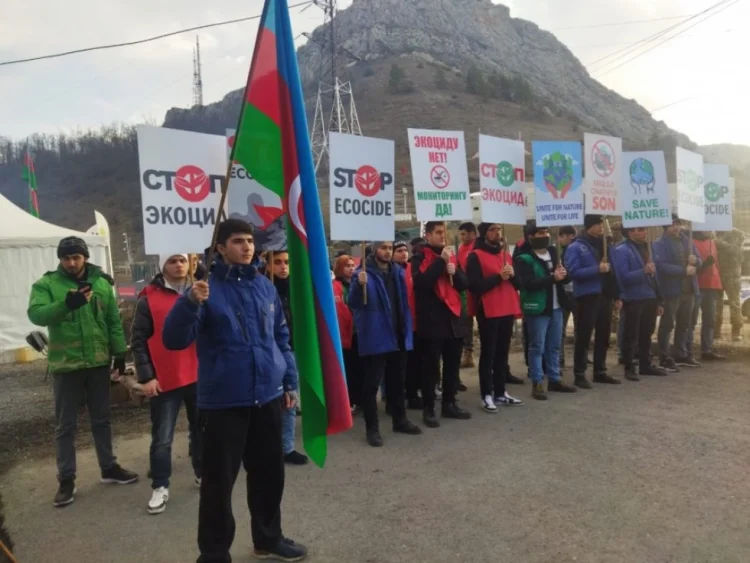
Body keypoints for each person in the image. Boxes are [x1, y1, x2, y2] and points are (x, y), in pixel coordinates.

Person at [163, 219, 307, 563]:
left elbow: (280, 338)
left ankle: (268, 540)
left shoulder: (265, 287)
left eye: (250, 242)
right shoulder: (204, 289)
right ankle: (214, 552)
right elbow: (174, 339)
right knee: (218, 483)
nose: (247, 247)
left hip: (268, 397)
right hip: (224, 402)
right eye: (239, 241)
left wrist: (288, 381)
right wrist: (189, 304)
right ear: (221, 247)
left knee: (270, 476)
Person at [27, 236, 138, 508]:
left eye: (77, 257)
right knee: (65, 425)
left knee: (102, 419)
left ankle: (109, 468)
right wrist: (66, 304)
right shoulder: (47, 284)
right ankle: (66, 479)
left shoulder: (101, 283)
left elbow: (112, 321)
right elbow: (36, 315)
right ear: (60, 259)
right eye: (66, 257)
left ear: (85, 257)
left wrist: (119, 353)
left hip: (98, 362)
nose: (72, 262)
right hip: (66, 364)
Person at [131, 253, 201, 515]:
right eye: (172, 261)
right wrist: (147, 377)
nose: (179, 265)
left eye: (183, 260)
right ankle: (160, 485)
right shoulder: (148, 297)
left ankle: (202, 473)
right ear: (163, 266)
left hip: (198, 375)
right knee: (162, 438)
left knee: (201, 431)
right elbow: (138, 340)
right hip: (164, 379)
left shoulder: (200, 290)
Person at [348, 241, 422, 446]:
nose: (388, 252)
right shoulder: (362, 273)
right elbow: (353, 303)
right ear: (374, 250)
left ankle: (400, 420)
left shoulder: (398, 271)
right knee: (371, 385)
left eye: (390, 248)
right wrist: (357, 285)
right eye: (384, 248)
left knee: (397, 381)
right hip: (376, 335)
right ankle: (372, 429)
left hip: (398, 334)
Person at [411, 222, 472, 427]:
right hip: (432, 322)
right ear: (428, 235)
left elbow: (464, 285)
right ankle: (429, 408)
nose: (442, 236)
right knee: (430, 369)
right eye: (438, 232)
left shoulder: (451, 256)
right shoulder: (419, 257)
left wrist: (454, 271)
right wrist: (440, 263)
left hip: (453, 320)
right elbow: (421, 283)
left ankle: (449, 403)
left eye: (444, 232)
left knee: (452, 366)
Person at [515, 222, 578, 400]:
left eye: (546, 231)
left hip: (556, 307)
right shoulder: (524, 258)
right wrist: (552, 278)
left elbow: (563, 278)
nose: (545, 235)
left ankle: (554, 379)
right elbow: (527, 284)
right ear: (531, 236)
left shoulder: (553, 252)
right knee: (537, 346)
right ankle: (537, 381)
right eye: (540, 232)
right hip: (538, 308)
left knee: (554, 346)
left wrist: (563, 275)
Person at [466, 223, 524, 412]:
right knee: (488, 353)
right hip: (489, 310)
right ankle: (486, 394)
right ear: (484, 234)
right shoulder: (475, 255)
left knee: (502, 353)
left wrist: (513, 276)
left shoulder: (506, 254)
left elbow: (517, 283)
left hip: (507, 307)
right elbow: (474, 286)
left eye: (499, 229)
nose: (497, 233)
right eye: (492, 229)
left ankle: (501, 392)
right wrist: (498, 277)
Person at [564, 215, 622, 388]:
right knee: (584, 336)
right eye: (598, 224)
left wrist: (617, 294)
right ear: (589, 226)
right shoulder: (576, 247)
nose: (601, 227)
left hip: (605, 295)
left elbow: (615, 271)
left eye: (602, 224)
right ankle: (579, 373)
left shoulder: (606, 245)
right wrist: (596, 269)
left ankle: (600, 371)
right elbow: (573, 272)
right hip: (587, 296)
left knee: (603, 336)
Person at [266, 251, 309, 466]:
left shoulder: (297, 287)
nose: (283, 267)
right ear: (268, 265)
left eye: (287, 262)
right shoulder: (263, 287)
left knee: (290, 397)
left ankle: (287, 447)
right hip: (268, 352)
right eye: (278, 262)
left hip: (291, 347)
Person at [612, 228, 668, 380]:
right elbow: (622, 276)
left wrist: (659, 299)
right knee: (631, 334)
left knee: (647, 333)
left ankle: (645, 364)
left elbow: (654, 276)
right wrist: (642, 271)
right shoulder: (622, 250)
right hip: (634, 298)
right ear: (630, 233)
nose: (644, 233)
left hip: (649, 296)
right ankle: (629, 366)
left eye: (644, 229)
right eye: (640, 230)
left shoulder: (648, 248)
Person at [653, 216, 702, 371]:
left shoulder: (687, 240)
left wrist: (696, 261)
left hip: (689, 290)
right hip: (671, 290)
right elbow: (660, 266)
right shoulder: (659, 244)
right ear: (665, 227)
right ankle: (664, 357)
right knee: (667, 325)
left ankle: (680, 354)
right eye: (672, 225)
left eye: (678, 224)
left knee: (685, 325)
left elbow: (699, 261)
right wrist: (683, 271)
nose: (676, 227)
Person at [691, 232, 727, 361]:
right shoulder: (691, 243)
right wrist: (705, 264)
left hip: (712, 286)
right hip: (697, 286)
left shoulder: (712, 243)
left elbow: (716, 265)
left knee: (710, 320)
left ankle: (707, 350)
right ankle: (686, 350)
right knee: (692, 320)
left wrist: (719, 285)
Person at [333, 255, 361, 414]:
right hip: (344, 335)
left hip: (358, 333)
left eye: (352, 265)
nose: (351, 268)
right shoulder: (334, 286)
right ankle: (348, 401)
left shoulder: (358, 284)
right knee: (348, 370)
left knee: (359, 369)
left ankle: (358, 399)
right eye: (347, 265)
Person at [715, 229, 745, 341]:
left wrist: (719, 243)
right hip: (717, 273)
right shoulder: (715, 232)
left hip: (732, 275)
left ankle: (736, 332)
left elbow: (736, 250)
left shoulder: (737, 233)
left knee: (734, 304)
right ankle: (716, 331)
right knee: (716, 305)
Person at [457, 222, 478, 370]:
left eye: (464, 234)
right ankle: (468, 354)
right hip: (465, 291)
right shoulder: (460, 249)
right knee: (466, 322)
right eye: (461, 234)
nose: (462, 237)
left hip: (478, 289)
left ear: (472, 233)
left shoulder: (477, 248)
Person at [557, 226, 577, 370]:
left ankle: (579, 356)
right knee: (560, 328)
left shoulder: (577, 250)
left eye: (562, 236)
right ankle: (560, 358)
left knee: (580, 327)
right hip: (565, 293)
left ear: (570, 236)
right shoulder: (560, 252)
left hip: (576, 292)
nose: (560, 239)